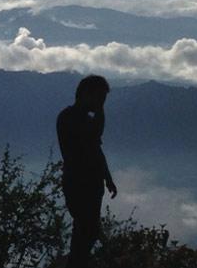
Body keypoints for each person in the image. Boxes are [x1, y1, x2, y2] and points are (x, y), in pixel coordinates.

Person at [57, 75, 117, 268]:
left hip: (89, 183)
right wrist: (101, 115)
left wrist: (107, 178)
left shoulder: (78, 118)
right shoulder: (70, 118)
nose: (101, 104)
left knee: (87, 231)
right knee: (86, 230)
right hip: (78, 184)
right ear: (86, 94)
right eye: (99, 98)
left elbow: (96, 149)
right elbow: (93, 140)